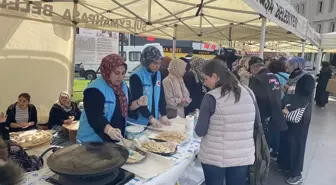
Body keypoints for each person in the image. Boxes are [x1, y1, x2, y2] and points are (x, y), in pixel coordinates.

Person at [195, 59, 255, 185]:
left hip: (215, 157)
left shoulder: (211, 97)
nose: (204, 83)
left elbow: (200, 131)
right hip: (242, 155)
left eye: (205, 79)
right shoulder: (248, 92)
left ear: (215, 77)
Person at [77, 54, 147, 143]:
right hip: (92, 141)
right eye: (116, 73)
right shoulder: (94, 90)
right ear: (107, 71)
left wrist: (138, 103)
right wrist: (110, 130)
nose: (120, 77)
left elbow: (127, 108)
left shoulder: (123, 86)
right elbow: (95, 117)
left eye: (123, 73)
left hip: (114, 139)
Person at [278, 57, 315, 185]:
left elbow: (304, 97)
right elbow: (293, 92)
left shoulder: (307, 78)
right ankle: (287, 166)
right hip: (288, 112)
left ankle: (296, 173)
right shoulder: (293, 76)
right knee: (288, 139)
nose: (287, 68)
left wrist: (290, 108)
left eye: (289, 65)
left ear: (297, 65)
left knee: (297, 143)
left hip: (300, 116)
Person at [248, 57, 287, 148]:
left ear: (255, 68)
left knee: (263, 143)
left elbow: (257, 98)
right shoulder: (274, 76)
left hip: (264, 116)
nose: (251, 73)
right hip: (276, 113)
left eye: (251, 70)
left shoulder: (258, 79)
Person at [128, 46, 171, 127]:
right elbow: (138, 99)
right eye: (155, 63)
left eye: (159, 63)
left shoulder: (158, 74)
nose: (158, 66)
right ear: (146, 62)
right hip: (139, 122)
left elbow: (161, 95)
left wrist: (164, 114)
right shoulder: (136, 76)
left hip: (153, 119)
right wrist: (150, 118)